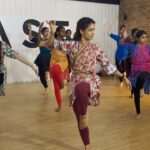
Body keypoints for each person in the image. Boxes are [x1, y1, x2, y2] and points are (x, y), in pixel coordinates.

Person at [47, 17, 131, 150]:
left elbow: (107, 64)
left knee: (81, 91)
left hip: (90, 81)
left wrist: (123, 76)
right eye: (90, 30)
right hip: (75, 80)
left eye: (94, 30)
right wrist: (52, 32)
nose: (93, 33)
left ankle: (85, 113)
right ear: (81, 31)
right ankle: (87, 145)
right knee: (79, 119)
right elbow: (51, 44)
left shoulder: (95, 47)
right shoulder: (71, 45)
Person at [121, 30, 150, 120]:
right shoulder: (132, 46)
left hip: (147, 69)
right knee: (136, 94)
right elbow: (122, 43)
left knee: (143, 75)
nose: (145, 39)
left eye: (146, 37)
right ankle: (138, 112)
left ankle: (142, 88)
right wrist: (124, 37)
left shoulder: (148, 48)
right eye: (142, 37)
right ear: (137, 38)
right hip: (135, 72)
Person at [28, 22, 51, 95]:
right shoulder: (39, 40)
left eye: (48, 31)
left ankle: (47, 72)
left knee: (45, 74)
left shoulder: (49, 40)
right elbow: (30, 38)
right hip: (41, 58)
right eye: (46, 31)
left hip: (48, 59)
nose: (48, 32)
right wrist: (30, 29)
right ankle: (46, 88)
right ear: (42, 33)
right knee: (41, 76)